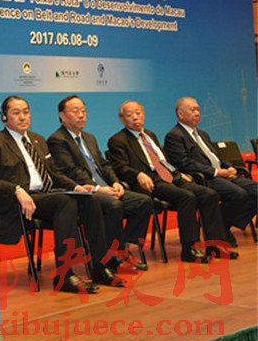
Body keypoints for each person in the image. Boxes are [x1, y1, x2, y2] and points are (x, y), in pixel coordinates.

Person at [0, 96, 125, 294]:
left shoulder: (37, 139)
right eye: (16, 113)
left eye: (26, 112)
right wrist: (16, 189)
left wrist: (76, 187)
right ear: (4, 117)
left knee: (89, 200)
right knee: (64, 202)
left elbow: (54, 173)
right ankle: (64, 275)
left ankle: (100, 267)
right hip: (20, 201)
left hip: (47, 196)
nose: (23, 117)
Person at [107, 100, 238, 264]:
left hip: (171, 177)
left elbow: (162, 160)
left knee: (209, 194)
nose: (135, 117)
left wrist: (178, 173)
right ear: (122, 119)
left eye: (138, 113)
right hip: (151, 183)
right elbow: (119, 167)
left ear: (144, 115)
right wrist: (138, 174)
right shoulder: (118, 140)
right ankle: (189, 249)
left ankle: (214, 245)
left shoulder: (150, 135)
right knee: (186, 197)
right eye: (129, 115)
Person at [47, 95, 152, 271]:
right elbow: (71, 170)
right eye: (75, 111)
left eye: (83, 111)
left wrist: (116, 182)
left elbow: (104, 164)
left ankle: (122, 248)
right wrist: (98, 189)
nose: (81, 115)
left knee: (144, 202)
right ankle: (113, 255)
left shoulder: (89, 137)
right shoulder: (58, 140)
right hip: (85, 192)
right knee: (114, 205)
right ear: (62, 116)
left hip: (106, 188)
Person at [164, 96, 256, 247]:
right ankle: (220, 229)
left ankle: (222, 225)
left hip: (221, 174)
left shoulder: (203, 134)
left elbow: (216, 157)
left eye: (198, 110)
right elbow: (184, 163)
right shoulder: (174, 136)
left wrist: (229, 167)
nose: (197, 113)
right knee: (239, 195)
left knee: (255, 191)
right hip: (205, 178)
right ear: (180, 114)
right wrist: (216, 172)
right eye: (192, 110)